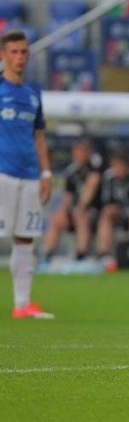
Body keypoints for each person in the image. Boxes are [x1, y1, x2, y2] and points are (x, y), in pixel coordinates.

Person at [0, 30, 54, 319]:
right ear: (3, 55)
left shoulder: (33, 94)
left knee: (25, 237)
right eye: (14, 52)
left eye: (23, 52)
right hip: (2, 174)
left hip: (30, 175)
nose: (19, 57)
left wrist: (45, 173)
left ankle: (22, 304)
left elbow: (39, 136)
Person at [42, 138, 102, 263]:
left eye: (82, 151)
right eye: (76, 151)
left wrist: (80, 208)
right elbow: (67, 196)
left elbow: (91, 188)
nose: (78, 154)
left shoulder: (95, 169)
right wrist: (63, 212)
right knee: (56, 219)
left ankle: (81, 255)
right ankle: (47, 255)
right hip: (74, 211)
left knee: (81, 217)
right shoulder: (71, 171)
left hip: (93, 211)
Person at [94, 149, 129, 268]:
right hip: (117, 214)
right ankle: (104, 255)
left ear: (128, 165)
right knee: (106, 215)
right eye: (116, 165)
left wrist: (125, 210)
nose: (119, 169)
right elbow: (106, 201)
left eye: (121, 165)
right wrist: (114, 209)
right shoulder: (109, 176)